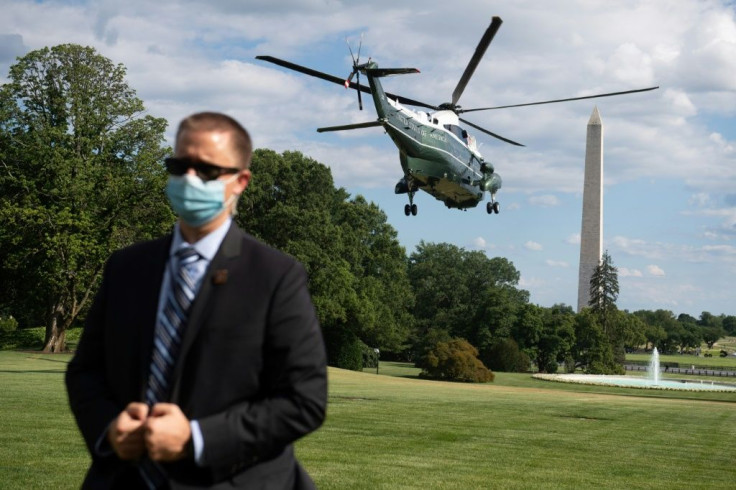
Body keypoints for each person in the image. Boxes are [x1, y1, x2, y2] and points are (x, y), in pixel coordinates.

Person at [66, 112, 328, 489]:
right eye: (179, 165)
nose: (189, 178)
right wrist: (109, 428)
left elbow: (304, 400)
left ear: (241, 181)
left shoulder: (276, 276)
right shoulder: (125, 267)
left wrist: (197, 438)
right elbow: (85, 371)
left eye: (206, 170)